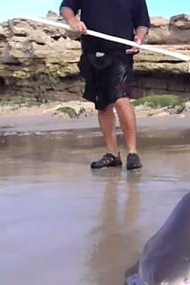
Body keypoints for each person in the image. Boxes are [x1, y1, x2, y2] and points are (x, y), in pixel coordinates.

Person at [60, 0, 150, 170]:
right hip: (92, 52)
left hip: (122, 53)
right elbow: (66, 7)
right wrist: (72, 21)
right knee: (103, 105)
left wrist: (139, 38)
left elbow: (142, 22)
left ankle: (132, 153)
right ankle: (112, 154)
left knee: (121, 99)